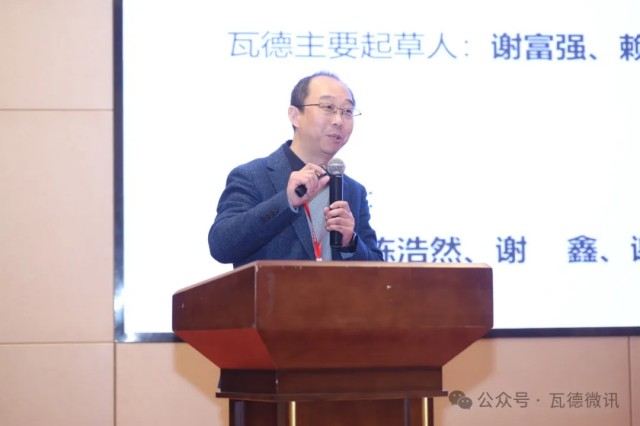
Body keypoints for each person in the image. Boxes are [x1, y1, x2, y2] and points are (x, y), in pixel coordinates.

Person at [208, 71, 383, 268]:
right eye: (328, 107)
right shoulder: (252, 176)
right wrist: (286, 201)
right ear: (295, 115)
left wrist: (350, 242)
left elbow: (379, 271)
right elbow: (221, 246)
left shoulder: (354, 190)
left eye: (347, 111)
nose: (339, 120)